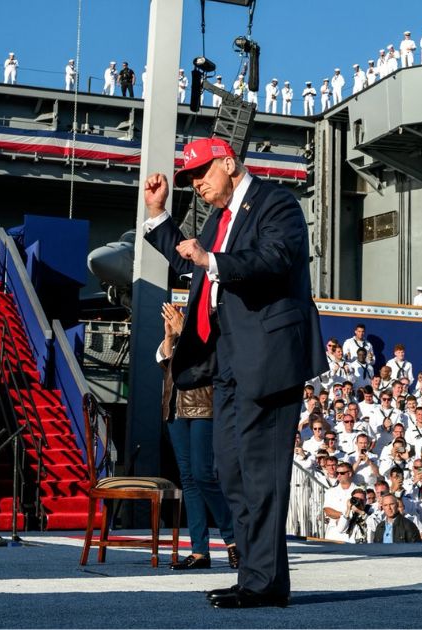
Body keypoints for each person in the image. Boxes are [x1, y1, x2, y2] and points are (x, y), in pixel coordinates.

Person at [141, 137, 327, 609]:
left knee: (260, 473)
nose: (197, 184)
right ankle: (255, 575)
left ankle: (263, 582)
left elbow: (276, 257)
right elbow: (192, 260)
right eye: (191, 179)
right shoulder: (218, 221)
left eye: (203, 173)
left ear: (229, 163)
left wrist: (213, 259)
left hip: (267, 357)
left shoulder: (275, 202)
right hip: (226, 360)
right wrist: (159, 214)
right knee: (228, 470)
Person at [159, 302, 238, 570]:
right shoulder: (182, 333)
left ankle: (233, 539)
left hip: (203, 406)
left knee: (203, 474)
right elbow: (168, 368)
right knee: (189, 479)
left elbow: (213, 363)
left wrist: (187, 332)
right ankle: (199, 551)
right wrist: (170, 337)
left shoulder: (214, 324)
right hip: (174, 408)